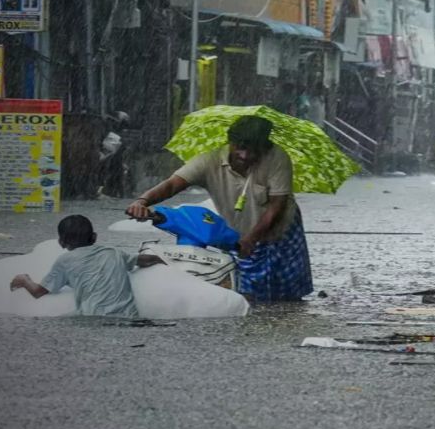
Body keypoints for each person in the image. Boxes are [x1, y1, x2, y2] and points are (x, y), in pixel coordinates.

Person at [126, 116, 312, 302]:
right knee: (242, 289)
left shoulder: (277, 158)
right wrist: (142, 201)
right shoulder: (209, 161)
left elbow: (276, 206)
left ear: (264, 148)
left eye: (253, 151)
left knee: (286, 292)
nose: (245, 156)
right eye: (240, 147)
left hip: (280, 227)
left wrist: (252, 238)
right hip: (239, 231)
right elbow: (172, 185)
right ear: (230, 142)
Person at [9, 215, 162, 317]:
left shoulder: (65, 261)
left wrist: (24, 280)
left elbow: (38, 292)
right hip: (131, 318)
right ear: (94, 237)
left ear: (61, 242)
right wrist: (162, 259)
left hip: (96, 320)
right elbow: (143, 260)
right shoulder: (113, 252)